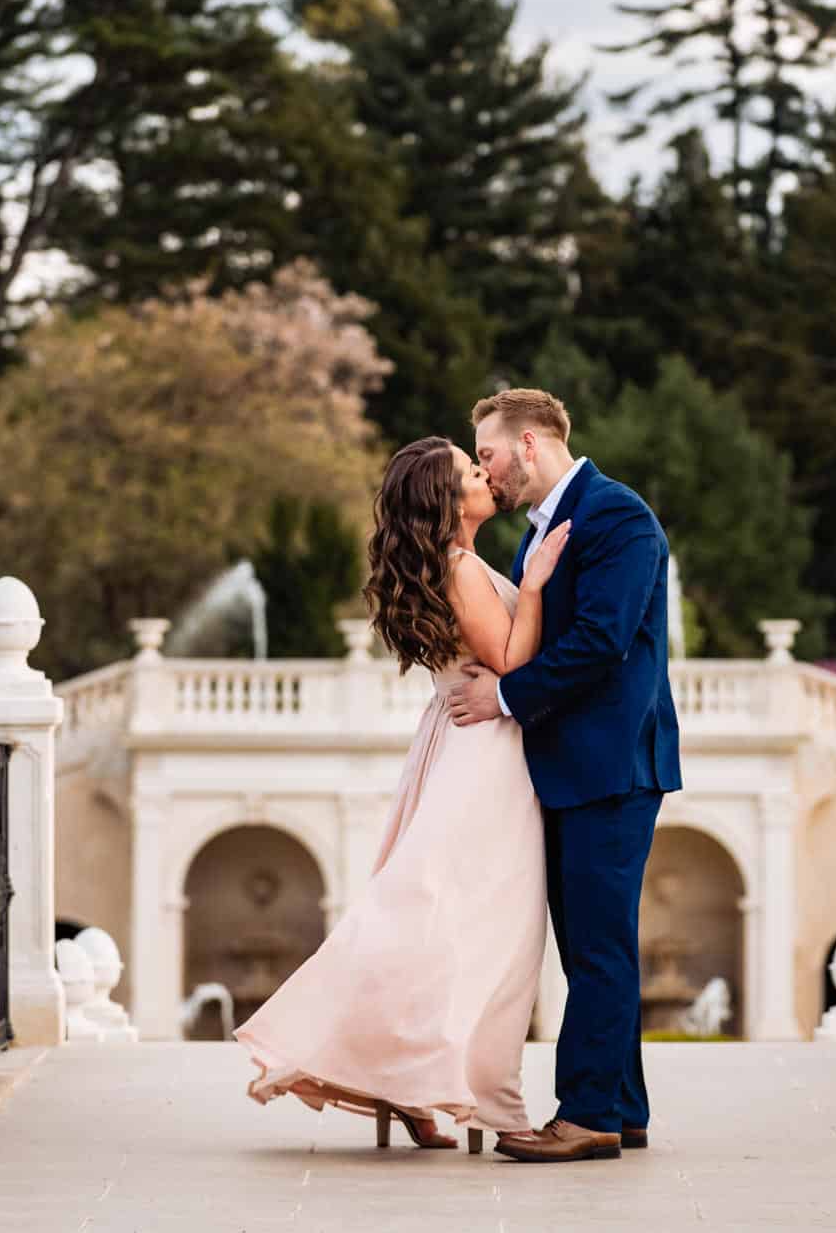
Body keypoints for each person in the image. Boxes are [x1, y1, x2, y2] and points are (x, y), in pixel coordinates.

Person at [237, 436, 572, 1150]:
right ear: (446, 502)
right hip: (487, 753)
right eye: (468, 471)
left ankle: (412, 1080)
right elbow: (512, 660)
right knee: (488, 925)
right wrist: (538, 584)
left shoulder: (457, 565)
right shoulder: (459, 567)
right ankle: (464, 1089)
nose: (484, 475)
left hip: (462, 741)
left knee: (442, 913)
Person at [448, 388, 684, 1163]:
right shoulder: (548, 528)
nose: (484, 470)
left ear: (527, 445)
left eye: (486, 454)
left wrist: (505, 695)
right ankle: (624, 1106)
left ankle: (585, 1114)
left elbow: (602, 641)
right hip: (578, 768)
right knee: (593, 941)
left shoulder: (616, 514)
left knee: (598, 946)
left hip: (611, 768)